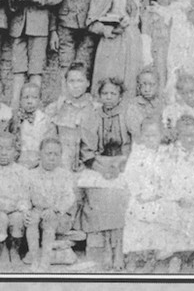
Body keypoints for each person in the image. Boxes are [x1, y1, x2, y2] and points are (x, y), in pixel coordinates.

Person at [79, 77, 131, 271]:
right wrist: (101, 169)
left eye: (113, 94)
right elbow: (87, 150)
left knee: (118, 197)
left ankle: (118, 248)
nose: (109, 97)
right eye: (105, 93)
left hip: (122, 164)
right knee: (102, 197)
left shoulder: (127, 114)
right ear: (99, 96)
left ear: (120, 96)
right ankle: (108, 247)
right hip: (99, 164)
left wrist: (119, 167)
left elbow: (134, 144)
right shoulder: (92, 115)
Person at [158, 115, 194, 274]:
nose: (190, 140)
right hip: (177, 196)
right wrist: (178, 197)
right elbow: (166, 178)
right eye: (185, 136)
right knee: (171, 210)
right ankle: (177, 254)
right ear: (178, 135)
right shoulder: (171, 152)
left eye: (193, 135)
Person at [88, 0, 143, 95]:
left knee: (132, 78)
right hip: (113, 44)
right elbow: (91, 22)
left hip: (133, 41)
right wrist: (108, 30)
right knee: (111, 79)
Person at [142, 0, 194, 103]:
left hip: (173, 51)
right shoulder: (150, 11)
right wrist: (147, 57)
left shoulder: (177, 10)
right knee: (160, 79)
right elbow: (145, 36)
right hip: (158, 52)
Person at [122, 117, 166, 272]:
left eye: (154, 135)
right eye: (146, 135)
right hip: (140, 194)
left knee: (157, 217)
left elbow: (168, 176)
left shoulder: (165, 154)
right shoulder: (137, 153)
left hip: (158, 196)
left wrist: (159, 193)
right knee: (134, 215)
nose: (150, 139)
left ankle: (152, 256)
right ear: (141, 135)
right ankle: (133, 254)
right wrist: (138, 193)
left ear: (161, 135)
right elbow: (130, 175)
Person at [25, 137, 77, 270]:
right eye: (49, 154)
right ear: (40, 154)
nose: (52, 158)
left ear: (60, 156)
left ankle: (45, 259)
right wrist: (26, 210)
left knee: (49, 222)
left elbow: (69, 197)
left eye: (56, 154)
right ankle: (35, 257)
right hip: (37, 209)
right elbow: (24, 196)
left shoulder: (64, 175)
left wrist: (55, 209)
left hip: (56, 212)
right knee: (32, 220)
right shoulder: (31, 174)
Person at [0, 132, 30, 267]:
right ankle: (2, 248)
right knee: (0, 218)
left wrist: (19, 207)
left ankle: (14, 249)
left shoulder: (22, 172)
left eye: (8, 149)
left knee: (17, 218)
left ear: (15, 152)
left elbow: (24, 195)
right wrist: (2, 207)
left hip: (15, 208)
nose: (3, 153)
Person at [45, 63, 99, 171]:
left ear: (88, 83)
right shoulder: (58, 107)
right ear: (65, 83)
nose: (75, 85)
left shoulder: (94, 108)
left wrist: (87, 162)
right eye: (71, 81)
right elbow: (50, 136)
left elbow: (93, 142)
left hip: (86, 162)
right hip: (61, 160)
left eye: (80, 81)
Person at [6, 82, 54, 169]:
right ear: (20, 100)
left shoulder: (46, 120)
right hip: (19, 162)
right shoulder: (15, 119)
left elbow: (49, 144)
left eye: (34, 98)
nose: (29, 101)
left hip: (39, 163)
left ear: (40, 100)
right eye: (26, 97)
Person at [124, 66, 165, 143]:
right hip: (140, 144)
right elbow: (133, 129)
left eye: (152, 85)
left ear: (158, 86)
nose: (147, 89)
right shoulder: (133, 105)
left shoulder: (161, 105)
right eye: (143, 84)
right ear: (138, 86)